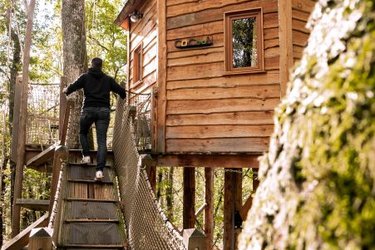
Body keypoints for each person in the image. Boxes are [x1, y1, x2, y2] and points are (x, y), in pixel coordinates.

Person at [63, 58, 126, 180]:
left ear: (92, 65)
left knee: (83, 132)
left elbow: (73, 86)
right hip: (104, 112)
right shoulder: (108, 79)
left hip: (88, 110)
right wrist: (123, 93)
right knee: (101, 141)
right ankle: (99, 171)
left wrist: (66, 90)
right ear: (101, 66)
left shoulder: (85, 77)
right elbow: (121, 92)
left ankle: (86, 156)